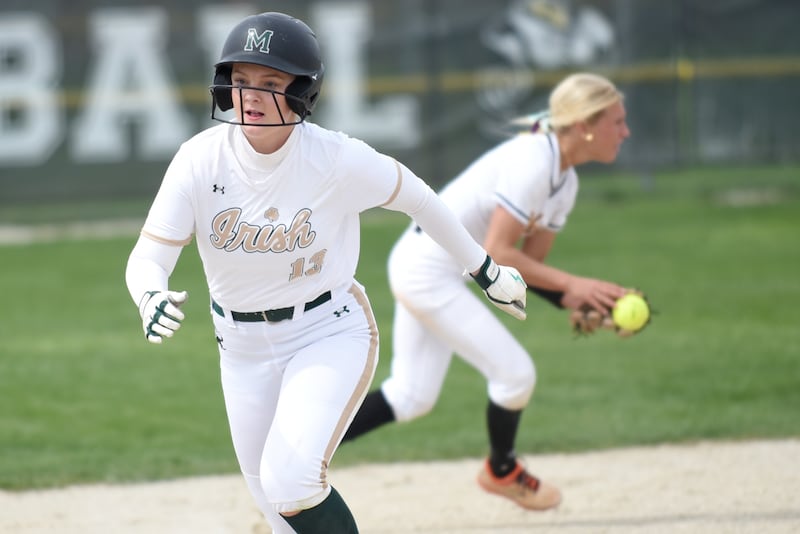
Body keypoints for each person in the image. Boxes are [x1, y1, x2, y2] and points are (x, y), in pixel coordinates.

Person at [124, 11, 527, 534]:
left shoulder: (336, 159)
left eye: (271, 82)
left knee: (291, 483)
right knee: (277, 511)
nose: (251, 93)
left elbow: (422, 200)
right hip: (239, 348)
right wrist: (149, 294)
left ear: (303, 92)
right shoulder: (199, 160)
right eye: (241, 80)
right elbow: (148, 258)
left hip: (327, 330)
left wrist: (485, 269)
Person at [342, 72, 632, 511]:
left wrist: (580, 301)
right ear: (584, 125)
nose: (625, 132)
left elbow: (526, 267)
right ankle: (502, 470)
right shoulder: (535, 160)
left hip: (428, 266)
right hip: (426, 271)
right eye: (617, 121)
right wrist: (575, 284)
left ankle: (299, 450)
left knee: (411, 396)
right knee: (515, 375)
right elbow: (497, 250)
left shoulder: (564, 182)